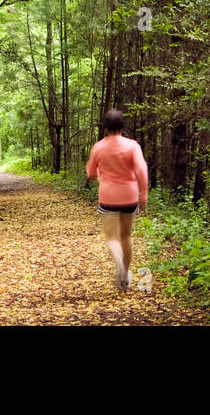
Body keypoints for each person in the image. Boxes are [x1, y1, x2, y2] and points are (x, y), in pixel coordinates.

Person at [85, 109, 149, 291]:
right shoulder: (132, 146)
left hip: (108, 196)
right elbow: (141, 170)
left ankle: (119, 263)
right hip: (129, 196)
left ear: (105, 128)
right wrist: (143, 193)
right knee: (126, 236)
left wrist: (95, 172)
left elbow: (90, 174)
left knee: (112, 237)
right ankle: (125, 274)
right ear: (122, 126)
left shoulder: (99, 147)